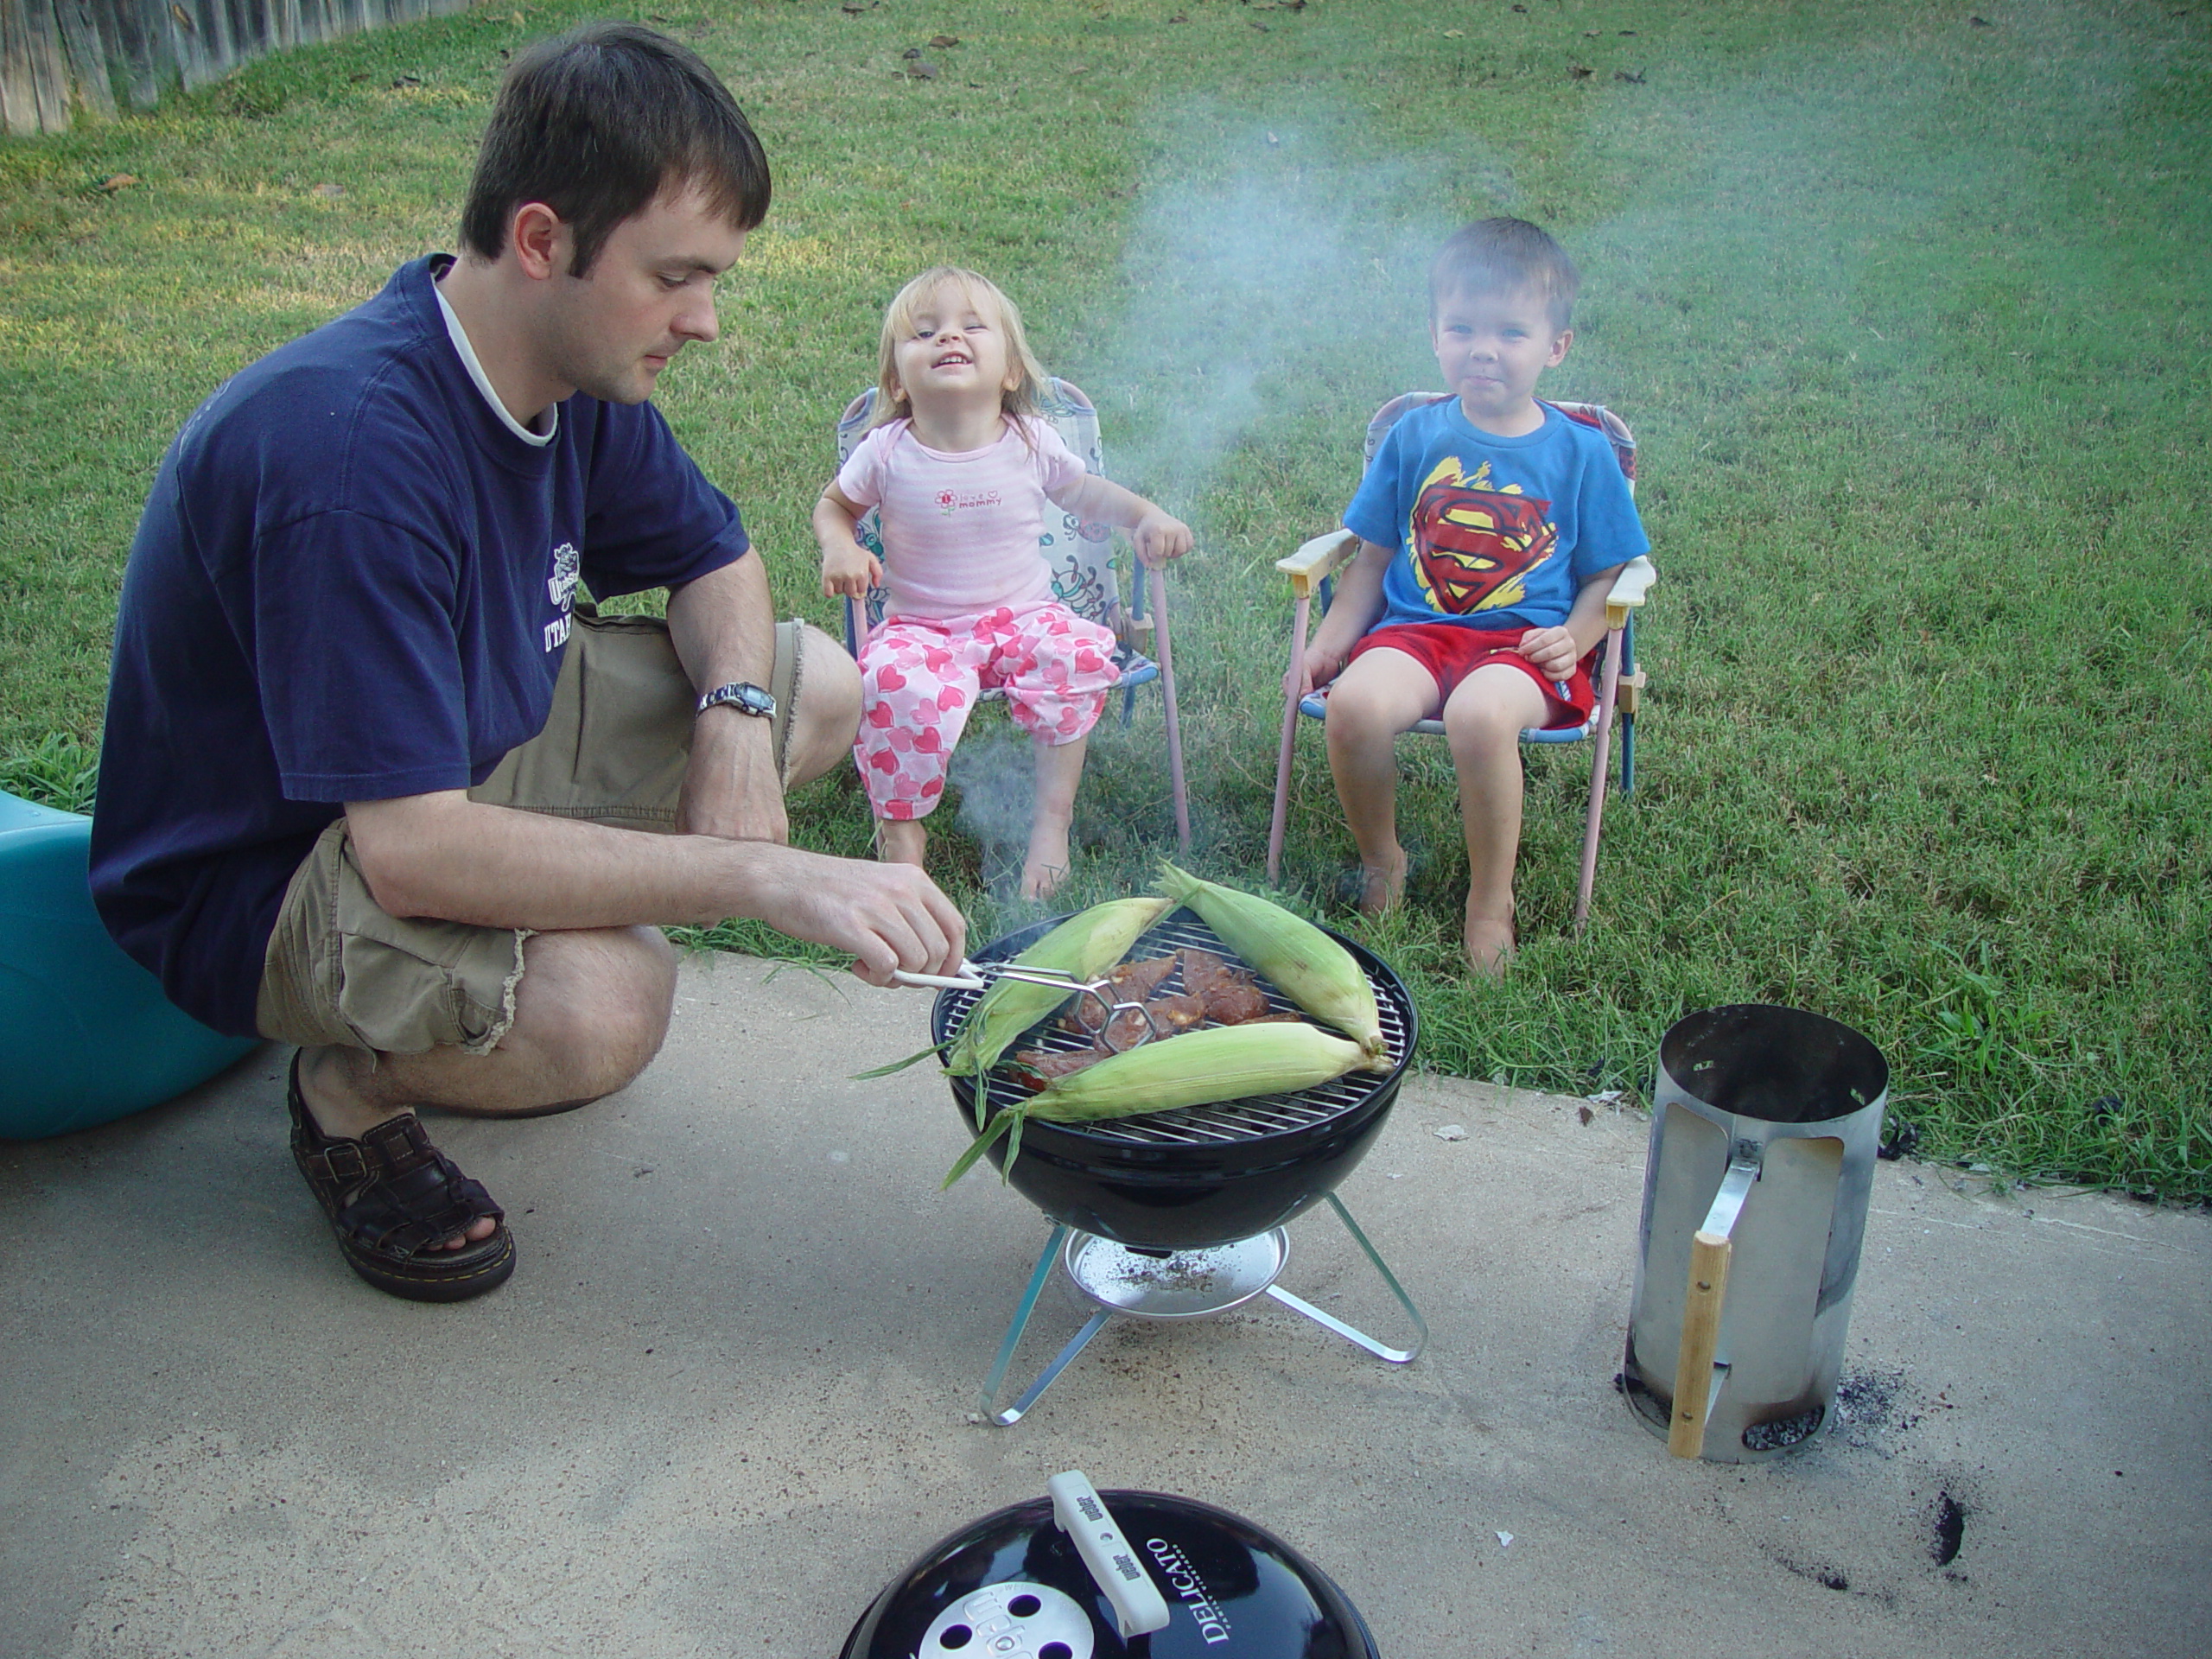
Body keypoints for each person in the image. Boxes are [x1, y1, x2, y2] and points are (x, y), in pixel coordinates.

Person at [88, 23, 966, 1305]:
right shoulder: (354, 461)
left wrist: (730, 718)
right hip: (270, 869)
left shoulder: (566, 374)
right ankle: (347, 1079)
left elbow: (715, 561)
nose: (708, 321)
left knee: (811, 686)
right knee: (612, 1006)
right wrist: (757, 876)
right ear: (544, 239)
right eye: (677, 276)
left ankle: (530, 917)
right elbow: (410, 851)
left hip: (448, 753)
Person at [1294, 218, 1649, 975]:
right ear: (1434, 333)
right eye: (1462, 328)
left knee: (1480, 716)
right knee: (1354, 706)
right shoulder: (1414, 437)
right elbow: (1370, 559)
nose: (1483, 348)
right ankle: (1382, 859)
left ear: (1557, 346)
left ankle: (1490, 901)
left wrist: (1579, 640)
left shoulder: (1582, 450)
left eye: (1511, 333)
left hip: (1524, 646)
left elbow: (1605, 578)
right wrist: (1330, 643)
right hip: (1415, 632)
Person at [812, 267, 1193, 900]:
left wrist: (1144, 515)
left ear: (1010, 371)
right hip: (922, 628)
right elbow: (834, 507)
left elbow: (1087, 493)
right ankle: (903, 841)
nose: (947, 339)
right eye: (924, 332)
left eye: (971, 326)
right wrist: (840, 544)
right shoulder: (884, 451)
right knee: (886, 681)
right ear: (894, 379)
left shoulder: (1029, 440)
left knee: (1077, 653)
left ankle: (1051, 824)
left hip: (1023, 616)